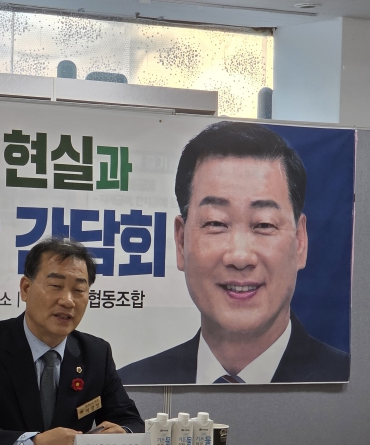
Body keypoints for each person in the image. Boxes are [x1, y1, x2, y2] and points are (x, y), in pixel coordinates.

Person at [118, 121, 350, 385]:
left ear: (300, 241)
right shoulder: (129, 386)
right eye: (216, 223)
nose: (240, 257)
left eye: (264, 224)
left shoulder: (353, 386)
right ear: (181, 242)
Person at [0, 237, 144, 445]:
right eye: (55, 285)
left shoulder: (96, 353)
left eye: (78, 290)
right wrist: (34, 442)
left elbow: (131, 421)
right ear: (26, 288)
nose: (67, 301)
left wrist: (123, 433)